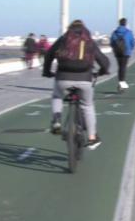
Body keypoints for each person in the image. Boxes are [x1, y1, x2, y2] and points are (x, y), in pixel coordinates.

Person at [43, 19, 109, 148]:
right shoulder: (88, 41)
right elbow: (103, 60)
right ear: (84, 29)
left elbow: (49, 54)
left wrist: (47, 71)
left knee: (57, 96)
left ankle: (56, 120)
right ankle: (92, 137)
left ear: (70, 28)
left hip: (63, 78)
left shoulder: (64, 39)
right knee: (88, 106)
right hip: (85, 79)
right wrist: (102, 71)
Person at [110, 18, 135, 91]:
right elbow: (133, 43)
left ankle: (120, 83)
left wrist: (115, 49)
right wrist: (130, 49)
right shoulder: (128, 32)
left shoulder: (114, 32)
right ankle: (122, 83)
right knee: (123, 67)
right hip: (126, 52)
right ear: (125, 24)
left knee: (120, 67)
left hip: (117, 52)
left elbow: (111, 43)